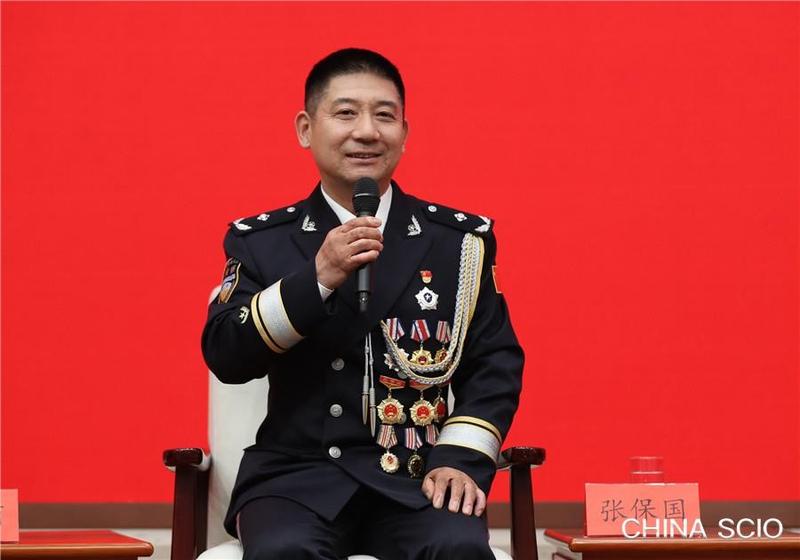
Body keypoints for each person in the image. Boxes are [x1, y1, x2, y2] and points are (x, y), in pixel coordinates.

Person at [201, 47, 524, 560]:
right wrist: (317, 279)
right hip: (296, 481)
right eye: (346, 113)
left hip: (416, 475)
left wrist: (460, 458)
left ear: (404, 133)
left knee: (458, 547)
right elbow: (226, 354)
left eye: (385, 116)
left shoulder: (459, 243)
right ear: (306, 129)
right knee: (284, 551)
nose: (368, 132)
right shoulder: (262, 241)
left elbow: (495, 363)